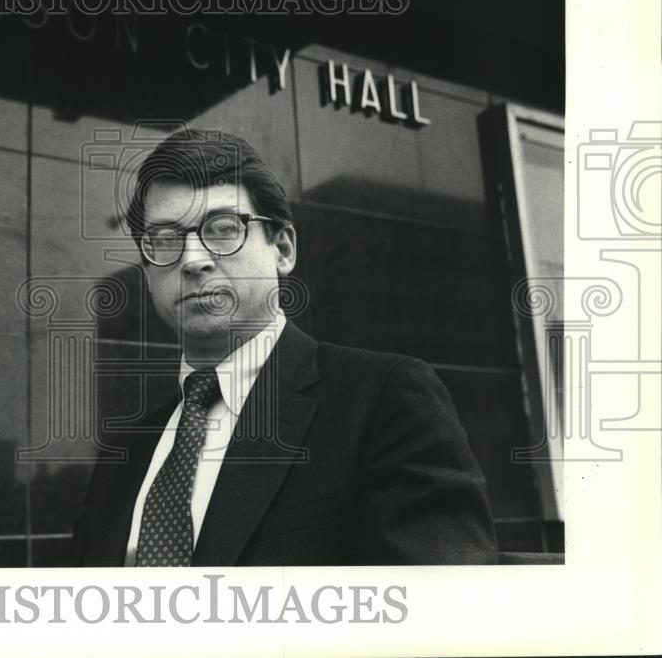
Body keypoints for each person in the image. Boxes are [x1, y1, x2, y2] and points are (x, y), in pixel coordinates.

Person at [72, 128, 497, 566]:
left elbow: (442, 612)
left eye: (223, 228)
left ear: (283, 248)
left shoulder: (382, 402)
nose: (193, 259)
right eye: (164, 239)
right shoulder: (123, 456)